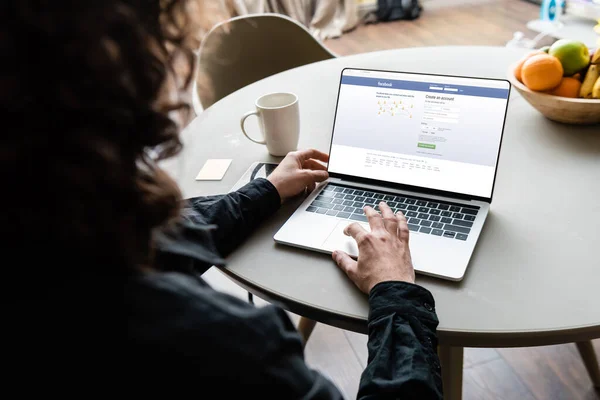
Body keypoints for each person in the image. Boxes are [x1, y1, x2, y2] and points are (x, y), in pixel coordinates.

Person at [1, 1, 442, 397]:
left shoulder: (47, 227)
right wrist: (396, 293)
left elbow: (158, 239)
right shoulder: (222, 348)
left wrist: (265, 191)